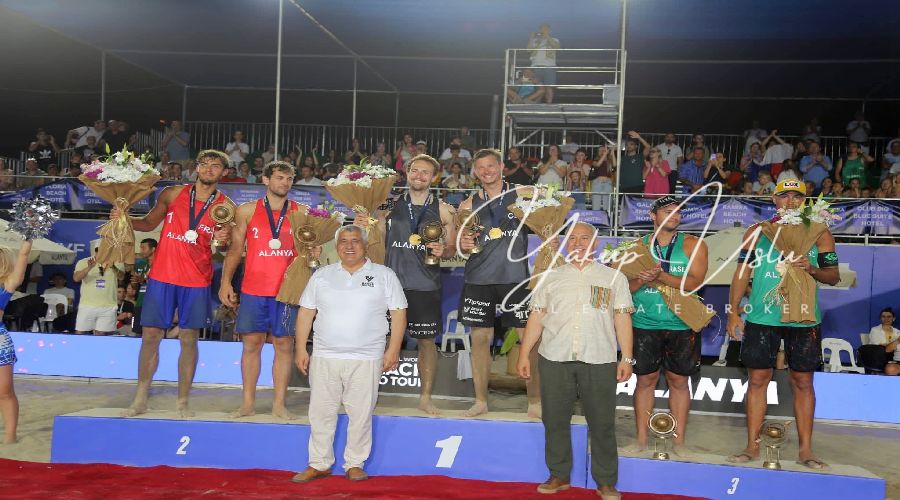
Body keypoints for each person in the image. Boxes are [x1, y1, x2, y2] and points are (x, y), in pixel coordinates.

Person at [726, 179, 840, 469]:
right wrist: (733, 312)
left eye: (797, 196)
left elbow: (833, 275)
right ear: (773, 200)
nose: (790, 201)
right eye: (784, 196)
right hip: (762, 316)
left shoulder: (819, 232)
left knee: (803, 381)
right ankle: (752, 446)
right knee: (757, 380)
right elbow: (741, 272)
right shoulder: (757, 231)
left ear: (805, 201)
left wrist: (811, 268)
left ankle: (806, 450)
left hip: (803, 317)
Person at [517, 222, 634, 499]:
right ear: (566, 244)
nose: (578, 243)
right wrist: (524, 353)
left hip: (599, 358)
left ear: (596, 243)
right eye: (572, 239)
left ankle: (606, 481)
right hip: (554, 357)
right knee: (554, 420)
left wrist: (627, 357)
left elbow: (622, 318)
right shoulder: (550, 277)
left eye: (584, 238)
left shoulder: (615, 278)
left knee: (602, 423)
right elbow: (537, 316)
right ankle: (559, 474)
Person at [115, 150, 234, 418]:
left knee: (189, 339)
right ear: (197, 168)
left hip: (196, 280)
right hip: (162, 276)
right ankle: (140, 398)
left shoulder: (226, 207)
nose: (209, 169)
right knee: (150, 336)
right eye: (204, 164)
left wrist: (223, 240)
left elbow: (224, 248)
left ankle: (182, 402)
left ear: (224, 172)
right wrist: (122, 220)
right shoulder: (172, 194)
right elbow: (148, 224)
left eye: (216, 166)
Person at [291, 225, 407, 483]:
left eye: (355, 241)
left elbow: (399, 313)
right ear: (337, 247)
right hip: (325, 354)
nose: (349, 246)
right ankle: (319, 463)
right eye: (344, 241)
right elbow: (306, 312)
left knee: (361, 414)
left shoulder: (384, 275)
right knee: (320, 412)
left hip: (367, 356)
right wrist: (300, 348)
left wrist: (393, 349)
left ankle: (355, 464)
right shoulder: (322, 275)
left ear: (365, 245)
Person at [356, 154, 457, 414]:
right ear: (407, 173)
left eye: (426, 172)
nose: (419, 176)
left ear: (434, 177)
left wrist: (443, 249)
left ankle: (425, 398)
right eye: (415, 170)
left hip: (425, 285)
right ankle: (367, 395)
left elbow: (451, 249)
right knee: (379, 339)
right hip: (390, 285)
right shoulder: (387, 204)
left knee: (426, 342)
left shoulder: (444, 209)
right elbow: (375, 241)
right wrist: (365, 225)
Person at [221, 161, 306, 419]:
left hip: (287, 291)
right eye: (279, 178)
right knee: (251, 344)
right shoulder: (246, 211)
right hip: (254, 289)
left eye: (289, 179)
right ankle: (248, 403)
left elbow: (306, 252)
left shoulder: (301, 212)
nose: (285, 183)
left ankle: (279, 404)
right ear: (266, 180)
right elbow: (236, 250)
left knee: (284, 345)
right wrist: (225, 282)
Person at [627, 196, 709, 456]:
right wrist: (642, 280)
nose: (675, 215)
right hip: (643, 322)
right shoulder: (635, 247)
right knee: (645, 380)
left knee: (679, 381)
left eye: (678, 212)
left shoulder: (694, 244)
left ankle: (679, 442)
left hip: (682, 322)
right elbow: (625, 288)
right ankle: (641, 440)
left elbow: (694, 283)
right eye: (667, 211)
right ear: (653, 215)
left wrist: (660, 276)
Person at [458, 149, 535, 417]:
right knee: (480, 339)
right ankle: (480, 401)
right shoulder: (467, 205)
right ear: (475, 172)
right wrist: (463, 243)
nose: (486, 171)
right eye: (480, 167)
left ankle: (535, 403)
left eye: (490, 165)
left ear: (501, 166)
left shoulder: (523, 193)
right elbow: (461, 246)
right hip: (479, 278)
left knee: (529, 340)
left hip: (515, 278)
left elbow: (550, 217)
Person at [0, 240, 34, 444]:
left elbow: (22, 258)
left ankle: (10, 436)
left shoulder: (6, 284)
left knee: (4, 391)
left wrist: (27, 243)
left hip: (0, 342)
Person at [73, 244, 124, 336]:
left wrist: (113, 267)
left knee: (101, 334)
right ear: (96, 251)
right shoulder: (83, 262)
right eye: (100, 251)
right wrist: (89, 267)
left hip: (108, 306)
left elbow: (121, 277)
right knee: (80, 332)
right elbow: (76, 278)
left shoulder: (117, 261)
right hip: (87, 305)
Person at [527, 23, 560, 103]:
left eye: (546, 29)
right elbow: (528, 50)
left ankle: (549, 104)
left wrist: (547, 36)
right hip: (535, 66)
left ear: (550, 30)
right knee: (537, 87)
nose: (543, 30)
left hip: (549, 66)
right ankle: (536, 104)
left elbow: (557, 47)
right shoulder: (535, 41)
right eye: (542, 29)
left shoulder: (555, 39)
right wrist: (531, 38)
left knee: (549, 87)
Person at [868, 308, 900, 376]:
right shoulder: (875, 330)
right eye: (883, 316)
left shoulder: (897, 332)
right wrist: (894, 344)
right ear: (880, 318)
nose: (886, 319)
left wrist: (891, 346)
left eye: (889, 316)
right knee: (891, 369)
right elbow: (882, 348)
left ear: (893, 319)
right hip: (881, 359)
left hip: (896, 359)